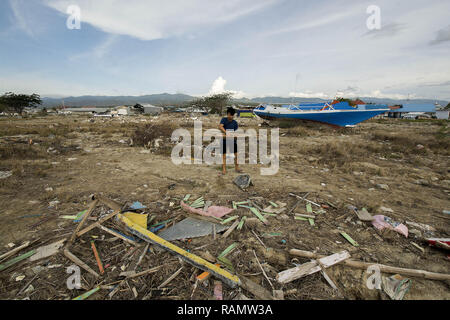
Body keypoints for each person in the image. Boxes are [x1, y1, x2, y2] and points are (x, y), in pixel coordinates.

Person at [219, 107, 242, 175]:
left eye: (232, 115)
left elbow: (235, 131)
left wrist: (234, 136)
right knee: (224, 156)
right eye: (230, 115)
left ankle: (237, 168)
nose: (231, 117)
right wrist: (226, 132)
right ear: (227, 114)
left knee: (236, 155)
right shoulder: (224, 119)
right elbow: (220, 126)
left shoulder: (235, 123)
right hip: (224, 140)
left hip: (232, 141)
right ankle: (224, 169)